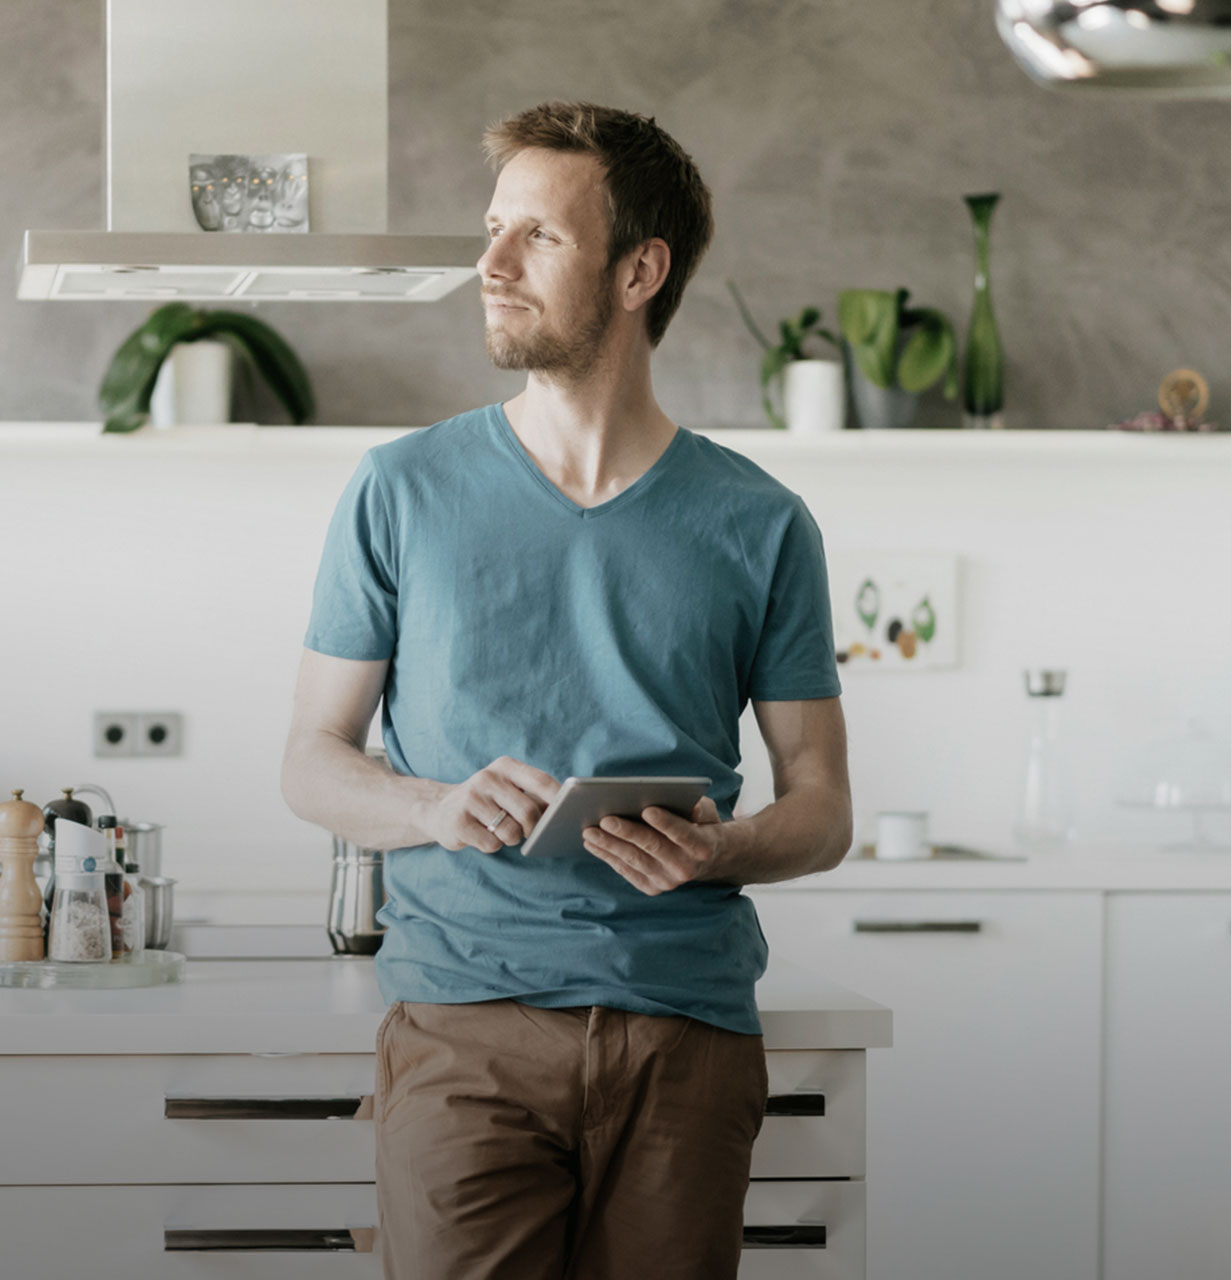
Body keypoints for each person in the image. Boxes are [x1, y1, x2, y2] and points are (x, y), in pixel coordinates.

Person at [280, 100, 854, 1279]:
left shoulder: (758, 522)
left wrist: (722, 848)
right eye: (490, 229)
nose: (486, 264)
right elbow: (311, 757)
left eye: (533, 236)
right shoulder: (400, 489)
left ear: (638, 269)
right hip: (462, 1031)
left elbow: (820, 805)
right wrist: (431, 807)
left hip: (685, 1033)